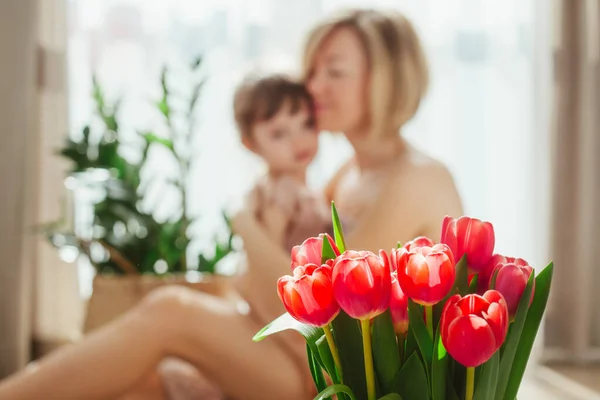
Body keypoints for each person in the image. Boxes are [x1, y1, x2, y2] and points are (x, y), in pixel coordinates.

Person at [0, 8, 463, 400]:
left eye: (334, 72)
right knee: (146, 378)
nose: (313, 85)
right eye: (314, 69)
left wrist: (243, 221)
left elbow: (321, 318)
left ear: (384, 80)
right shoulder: (350, 175)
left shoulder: (416, 178)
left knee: (171, 314)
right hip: (304, 354)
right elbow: (275, 284)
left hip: (343, 379)